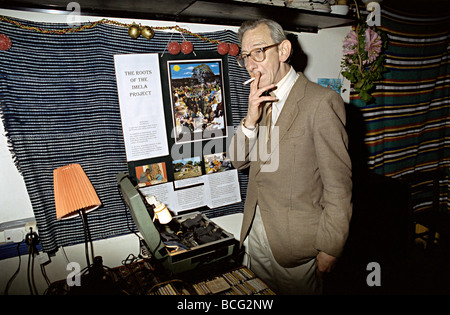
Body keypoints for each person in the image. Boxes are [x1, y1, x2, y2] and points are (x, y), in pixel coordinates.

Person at [228, 19, 352, 295]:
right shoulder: (259, 99)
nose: (250, 64)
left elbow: (338, 186)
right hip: (255, 233)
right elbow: (237, 160)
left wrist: (332, 246)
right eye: (245, 56)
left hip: (297, 245)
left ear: (283, 51)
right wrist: (250, 118)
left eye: (258, 52)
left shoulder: (321, 103)